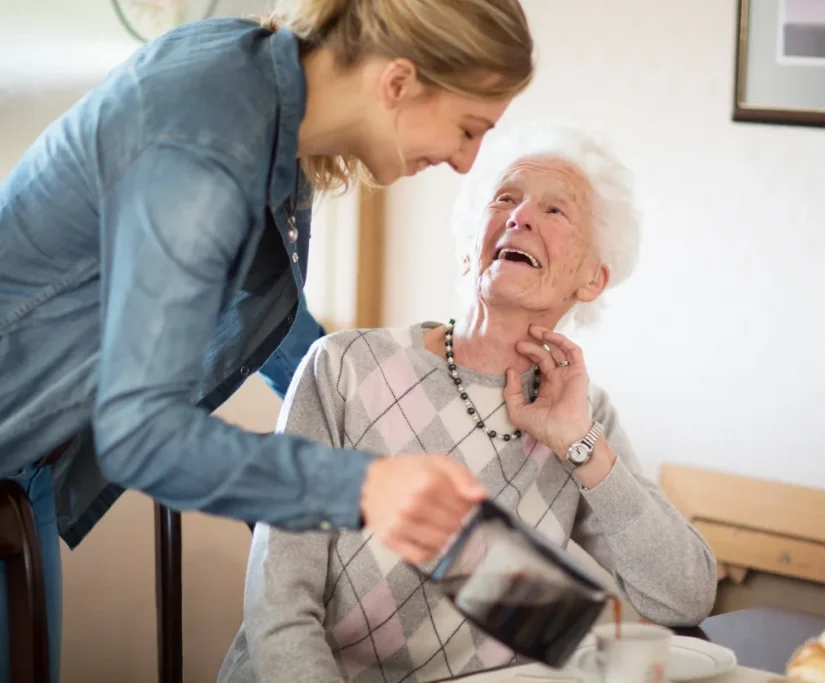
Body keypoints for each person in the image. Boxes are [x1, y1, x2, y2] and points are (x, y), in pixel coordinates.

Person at [0, 1, 535, 680]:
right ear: (398, 81)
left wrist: (389, 444)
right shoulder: (209, 140)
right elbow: (141, 433)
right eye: (468, 128)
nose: (466, 163)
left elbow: (281, 334)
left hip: (21, 467)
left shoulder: (268, 108)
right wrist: (367, 485)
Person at [219, 123, 718, 683]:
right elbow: (280, 605)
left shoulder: (583, 416)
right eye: (506, 197)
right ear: (467, 250)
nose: (520, 215)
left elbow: (684, 597)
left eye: (555, 211)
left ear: (591, 279)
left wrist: (580, 446)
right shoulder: (344, 367)